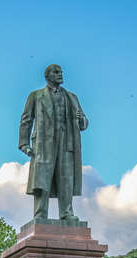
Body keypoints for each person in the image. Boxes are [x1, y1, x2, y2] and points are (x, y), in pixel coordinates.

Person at [19, 64, 88, 221]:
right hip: (43, 144)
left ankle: (66, 212)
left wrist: (81, 120)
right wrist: (24, 143)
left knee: (66, 179)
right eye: (56, 72)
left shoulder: (72, 97)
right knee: (42, 180)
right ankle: (40, 214)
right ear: (47, 76)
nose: (60, 74)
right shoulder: (36, 96)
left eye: (61, 72)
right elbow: (26, 120)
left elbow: (84, 123)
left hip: (66, 143)